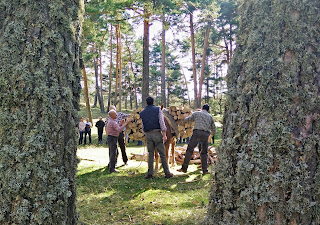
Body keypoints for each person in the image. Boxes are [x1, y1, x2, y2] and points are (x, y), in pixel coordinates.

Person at [139, 96, 173, 179]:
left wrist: (145, 133)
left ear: (146, 103)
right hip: (157, 133)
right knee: (162, 154)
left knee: (150, 154)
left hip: (148, 134)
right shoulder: (157, 110)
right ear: (153, 102)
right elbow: (161, 122)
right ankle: (167, 173)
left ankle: (150, 174)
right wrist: (164, 134)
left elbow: (143, 125)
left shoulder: (142, 113)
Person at [177, 104, 216, 175]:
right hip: (205, 135)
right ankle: (205, 170)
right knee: (204, 152)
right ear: (208, 110)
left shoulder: (197, 113)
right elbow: (214, 129)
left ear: (202, 108)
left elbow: (188, 120)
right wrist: (210, 136)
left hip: (196, 133)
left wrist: (182, 118)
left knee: (189, 150)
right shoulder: (210, 117)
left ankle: (184, 168)